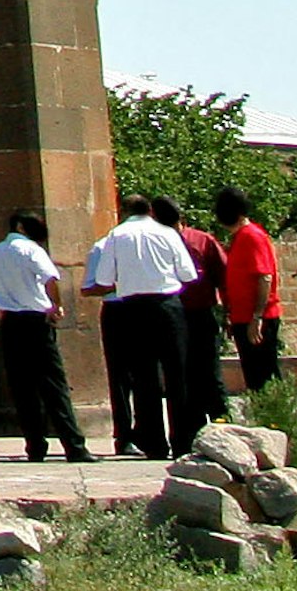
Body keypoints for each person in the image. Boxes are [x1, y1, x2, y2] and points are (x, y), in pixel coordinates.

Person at [0, 212, 93, 463]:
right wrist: (54, 306)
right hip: (36, 321)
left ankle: (35, 446)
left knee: (22, 387)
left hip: (10, 322)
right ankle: (74, 445)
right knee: (54, 385)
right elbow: (50, 279)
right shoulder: (31, 250)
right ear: (22, 227)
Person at [84, 193, 198, 458]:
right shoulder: (168, 234)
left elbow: (104, 277)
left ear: (123, 210)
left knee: (144, 377)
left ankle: (154, 442)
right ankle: (182, 440)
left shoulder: (116, 236)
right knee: (177, 375)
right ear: (150, 211)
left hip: (133, 307)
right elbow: (188, 274)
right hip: (169, 305)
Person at [154, 194, 226, 451]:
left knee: (201, 375)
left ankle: (219, 429)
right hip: (182, 314)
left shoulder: (200, 241)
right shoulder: (195, 240)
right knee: (188, 378)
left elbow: (220, 274)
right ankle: (194, 435)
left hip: (194, 313)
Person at [213, 185, 282, 390]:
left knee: (265, 378)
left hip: (258, 319)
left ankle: (275, 420)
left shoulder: (252, 236)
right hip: (243, 318)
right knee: (254, 378)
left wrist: (257, 317)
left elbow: (264, 277)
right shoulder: (238, 238)